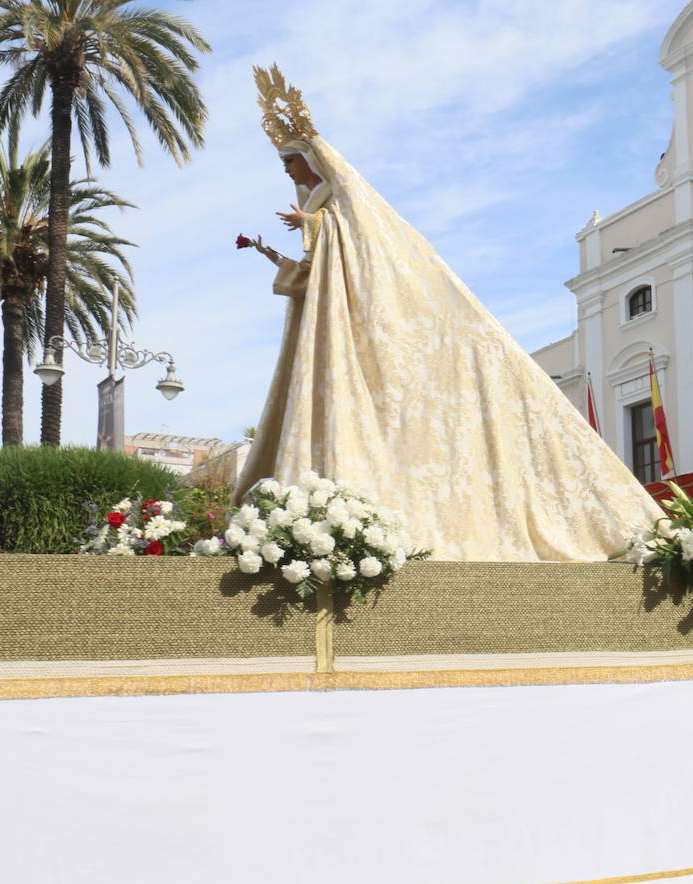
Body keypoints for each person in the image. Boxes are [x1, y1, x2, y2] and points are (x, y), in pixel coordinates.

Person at [236, 66, 663, 561]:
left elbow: (366, 248)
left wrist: (314, 223)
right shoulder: (321, 205)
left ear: (311, 159)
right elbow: (322, 271)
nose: (286, 170)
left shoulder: (344, 202)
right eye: (284, 163)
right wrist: (277, 254)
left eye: (290, 160)